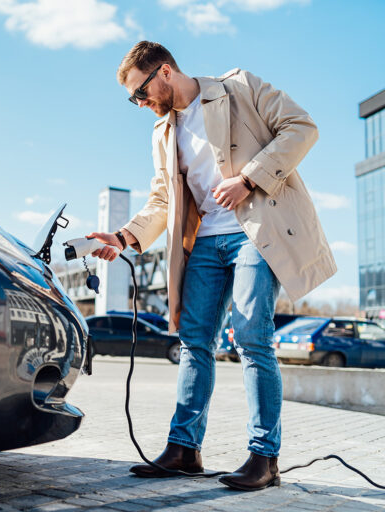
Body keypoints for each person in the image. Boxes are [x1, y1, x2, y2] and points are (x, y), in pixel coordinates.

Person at [87, 41, 336, 491]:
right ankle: (184, 450)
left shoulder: (238, 87)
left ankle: (264, 457)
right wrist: (124, 236)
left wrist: (248, 178)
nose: (140, 104)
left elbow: (302, 127)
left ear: (164, 71)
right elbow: (164, 199)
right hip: (202, 243)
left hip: (255, 233)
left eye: (140, 93)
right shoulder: (163, 132)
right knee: (193, 341)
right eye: (133, 99)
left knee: (251, 337)